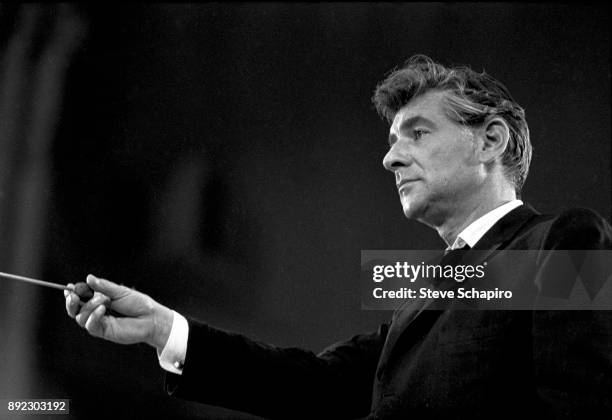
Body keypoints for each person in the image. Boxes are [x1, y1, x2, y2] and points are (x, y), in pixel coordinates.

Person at [65, 55, 612, 419]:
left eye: (417, 133)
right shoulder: (423, 295)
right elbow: (315, 384)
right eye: (393, 140)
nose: (391, 156)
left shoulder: (565, 242)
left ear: (490, 140)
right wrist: (164, 331)